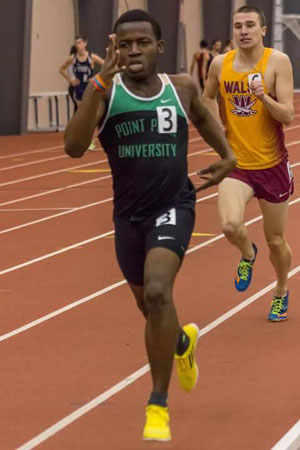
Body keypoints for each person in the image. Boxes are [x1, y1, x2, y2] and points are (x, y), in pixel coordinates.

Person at [64, 9, 236, 442]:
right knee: (150, 309)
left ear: (160, 46)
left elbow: (202, 118)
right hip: (128, 217)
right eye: (125, 45)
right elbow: (73, 147)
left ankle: (158, 404)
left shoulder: (181, 88)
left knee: (160, 291)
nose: (133, 51)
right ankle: (181, 343)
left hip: (174, 205)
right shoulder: (107, 92)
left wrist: (228, 157)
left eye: (142, 42)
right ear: (114, 49)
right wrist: (98, 83)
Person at [202, 5, 294, 322]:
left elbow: (288, 115)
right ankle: (247, 253)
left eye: (250, 25)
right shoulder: (220, 64)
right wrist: (219, 128)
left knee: (277, 240)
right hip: (237, 165)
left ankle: (281, 290)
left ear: (263, 31)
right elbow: (206, 98)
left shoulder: (277, 63)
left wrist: (263, 97)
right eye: (238, 25)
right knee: (229, 225)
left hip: (272, 165)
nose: (243, 31)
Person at [59, 36, 104, 150]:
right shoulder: (72, 58)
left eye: (79, 43)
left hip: (90, 89)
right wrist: (70, 80)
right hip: (78, 90)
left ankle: (91, 141)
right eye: (76, 43)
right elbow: (61, 69)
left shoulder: (91, 57)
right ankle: (78, 140)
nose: (77, 45)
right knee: (81, 116)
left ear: (85, 44)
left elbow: (105, 66)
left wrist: (95, 78)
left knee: (92, 116)